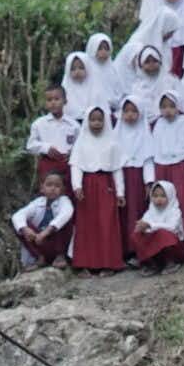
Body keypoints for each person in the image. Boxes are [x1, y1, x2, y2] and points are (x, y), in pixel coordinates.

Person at [146, 92, 184, 255]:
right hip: (162, 167)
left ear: (178, 107)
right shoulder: (158, 125)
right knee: (164, 207)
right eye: (164, 107)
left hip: (181, 168)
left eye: (171, 106)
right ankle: (168, 249)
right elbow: (154, 148)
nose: (167, 111)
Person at [68, 105, 128, 273]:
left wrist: (120, 192)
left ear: (105, 121)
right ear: (87, 121)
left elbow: (117, 168)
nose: (96, 123)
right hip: (87, 187)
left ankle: (109, 264)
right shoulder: (81, 142)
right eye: (92, 119)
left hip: (106, 186)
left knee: (107, 223)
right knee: (87, 225)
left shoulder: (112, 142)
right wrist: (77, 186)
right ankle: (86, 264)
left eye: (99, 120)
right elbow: (76, 165)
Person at [13, 170, 76, 269]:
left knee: (66, 221)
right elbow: (18, 215)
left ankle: (60, 257)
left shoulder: (64, 201)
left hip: (58, 243)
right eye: (49, 185)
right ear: (42, 188)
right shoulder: (38, 202)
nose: (53, 188)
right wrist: (25, 229)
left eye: (57, 186)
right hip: (41, 243)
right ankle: (39, 257)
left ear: (63, 190)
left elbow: (66, 213)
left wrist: (46, 232)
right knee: (19, 225)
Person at [112, 96, 151, 255]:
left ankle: (139, 249)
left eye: (134, 111)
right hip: (121, 177)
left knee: (137, 211)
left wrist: (149, 182)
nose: (129, 115)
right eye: (126, 111)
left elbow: (148, 158)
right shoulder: (116, 134)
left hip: (137, 177)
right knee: (123, 213)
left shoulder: (144, 134)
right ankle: (125, 250)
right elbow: (114, 159)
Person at [27, 84, 76, 186]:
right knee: (48, 194)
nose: (53, 103)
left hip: (67, 164)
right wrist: (46, 148)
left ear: (65, 101)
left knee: (68, 193)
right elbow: (30, 145)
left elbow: (80, 144)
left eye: (57, 99)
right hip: (47, 163)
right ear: (45, 103)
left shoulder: (74, 125)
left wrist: (73, 153)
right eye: (49, 100)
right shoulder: (39, 124)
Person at [131, 181, 184, 271]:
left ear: (170, 196)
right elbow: (146, 225)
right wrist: (142, 227)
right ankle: (152, 262)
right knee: (137, 234)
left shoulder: (175, 211)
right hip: (157, 248)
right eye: (155, 196)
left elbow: (172, 227)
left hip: (175, 249)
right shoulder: (150, 211)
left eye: (163, 196)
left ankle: (171, 262)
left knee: (162, 234)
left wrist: (151, 225)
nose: (159, 199)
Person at [125, 45, 175, 125]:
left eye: (155, 61)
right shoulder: (136, 87)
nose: (151, 64)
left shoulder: (171, 82)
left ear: (160, 62)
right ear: (141, 65)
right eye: (147, 62)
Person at [60, 50, 104, 122]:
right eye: (73, 69)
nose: (77, 72)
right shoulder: (65, 87)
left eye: (81, 68)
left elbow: (100, 104)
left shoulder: (95, 86)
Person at [86, 32, 122, 107]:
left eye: (106, 49)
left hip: (111, 108)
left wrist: (113, 101)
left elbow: (118, 90)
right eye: (99, 48)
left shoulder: (112, 69)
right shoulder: (87, 68)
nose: (103, 52)